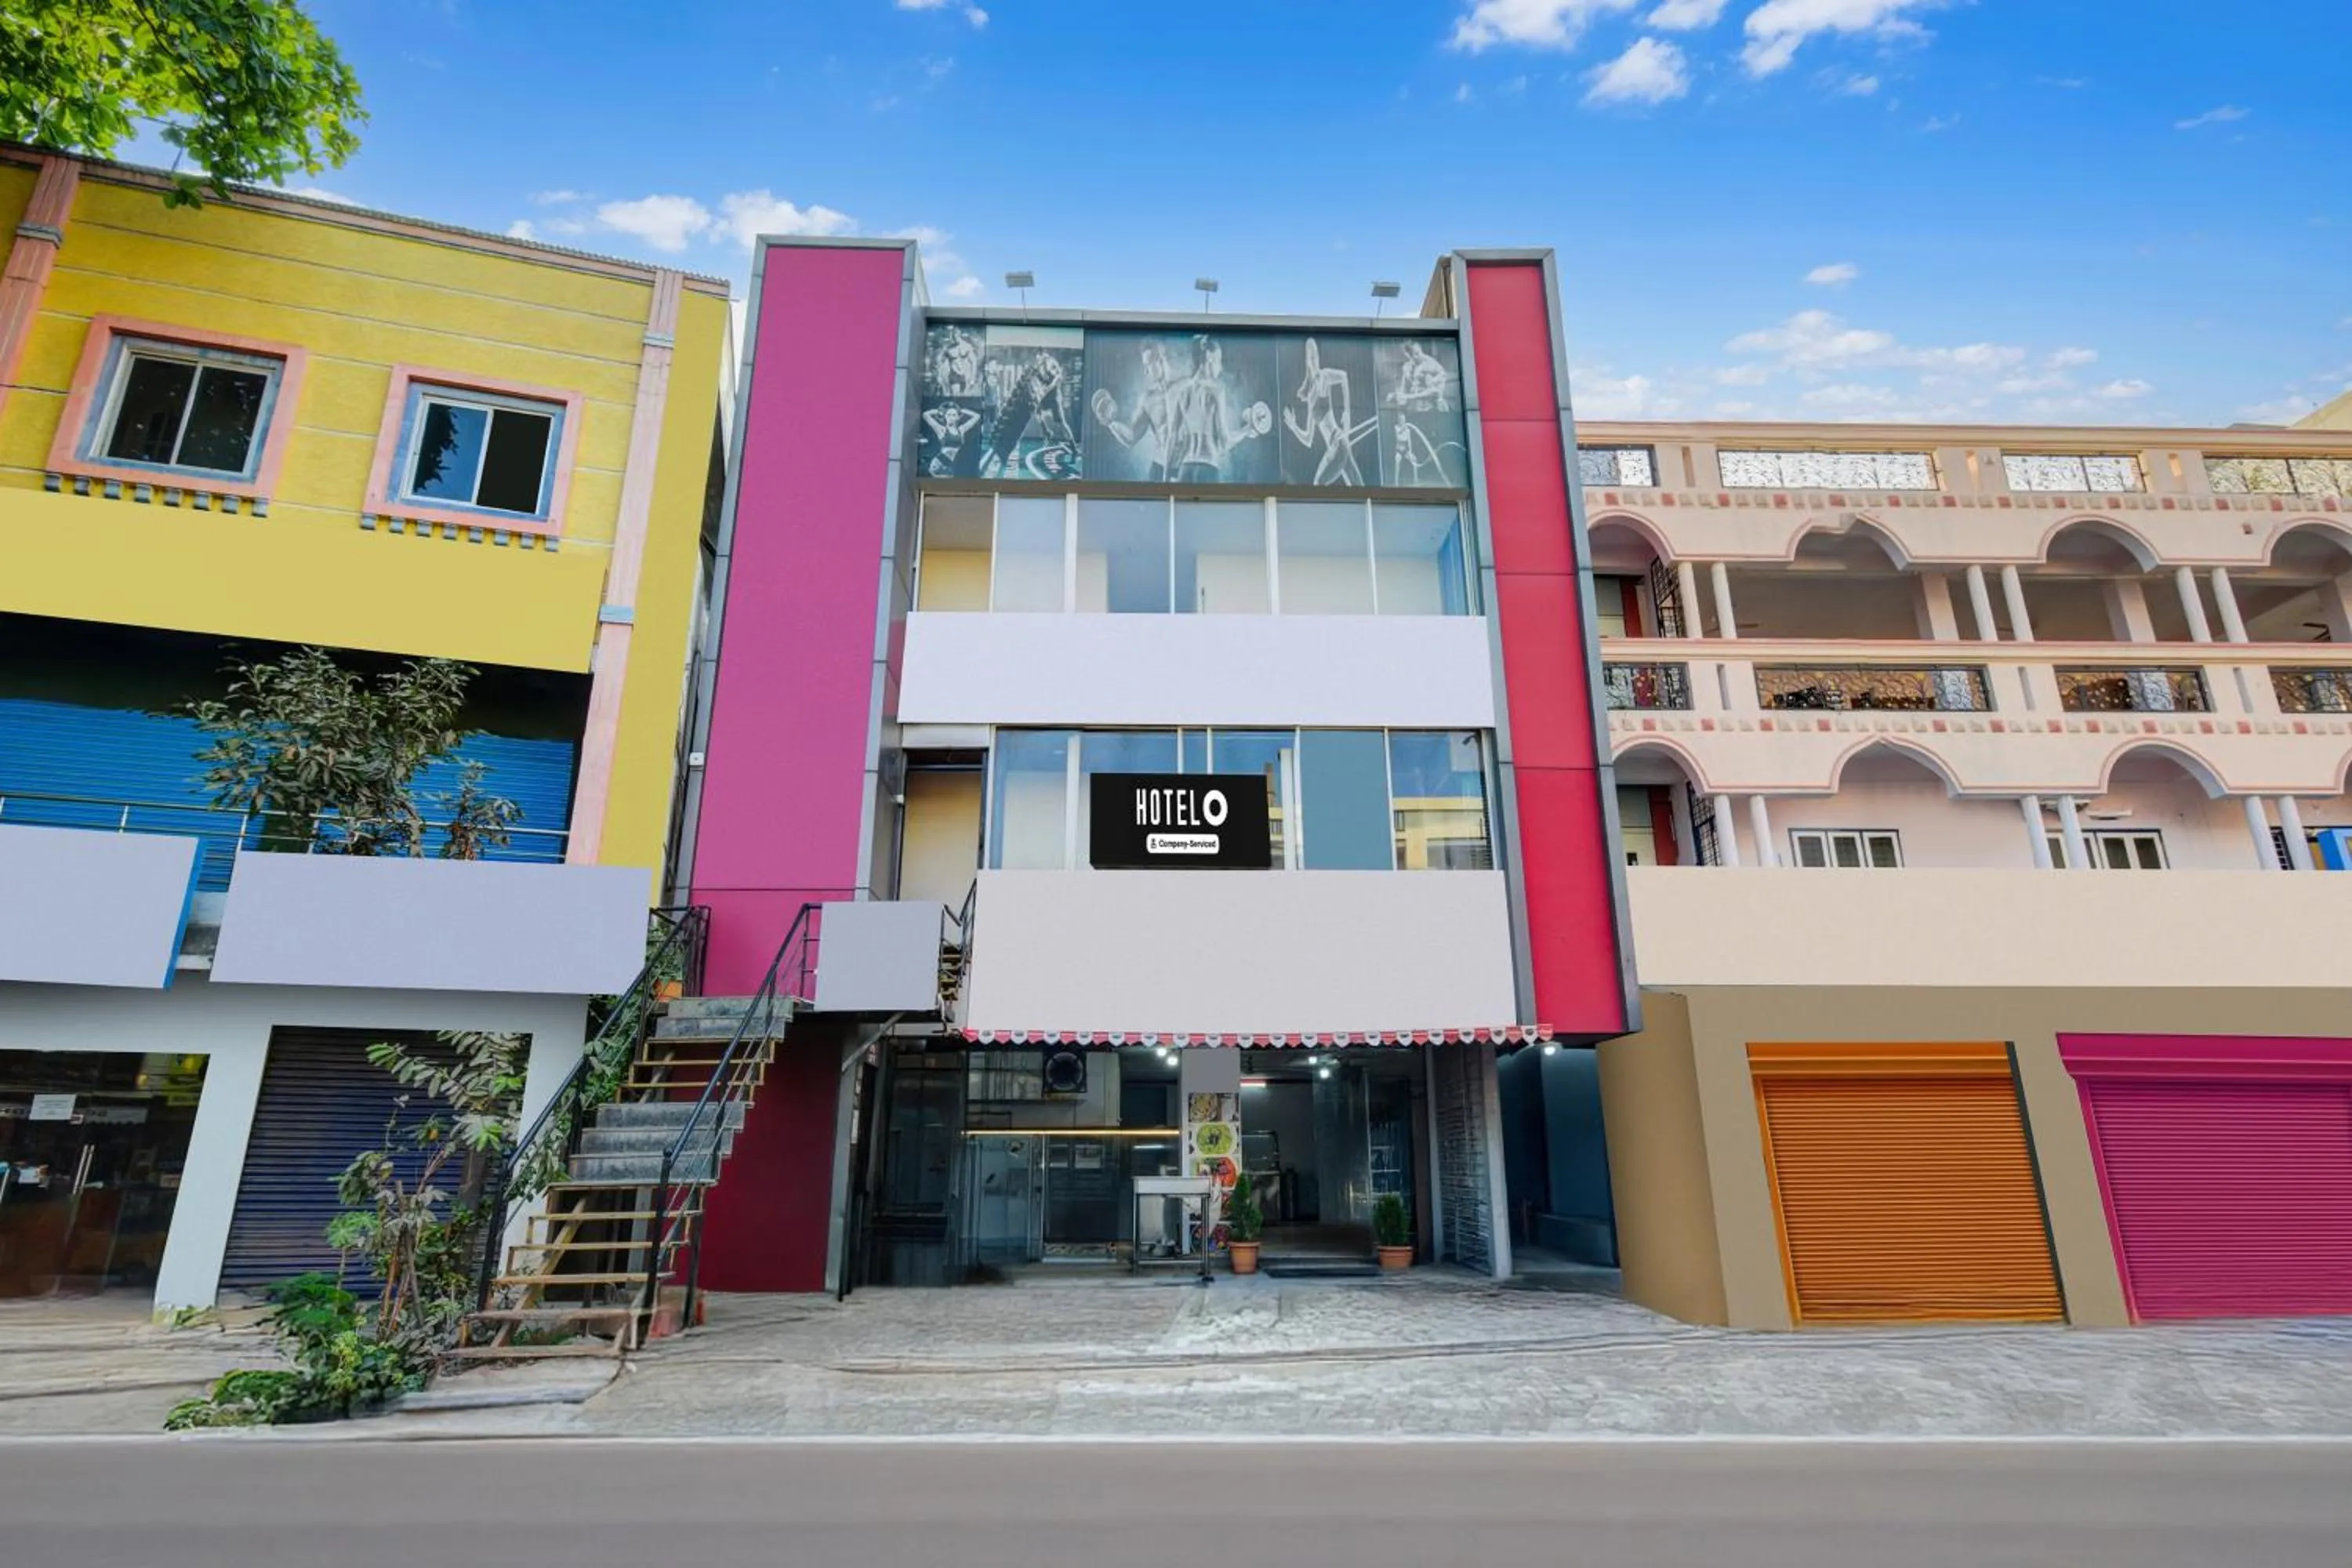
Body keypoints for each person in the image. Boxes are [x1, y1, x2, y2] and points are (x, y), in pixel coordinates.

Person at [1283, 337, 1374, 487]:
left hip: (1338, 442)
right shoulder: (1311, 398)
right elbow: (1308, 440)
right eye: (1312, 358)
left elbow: (1343, 377)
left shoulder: (1324, 377)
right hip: (1339, 446)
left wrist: (1346, 412)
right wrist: (1293, 427)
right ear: (1308, 362)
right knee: (1359, 489)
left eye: (1317, 356)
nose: (1315, 361)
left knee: (1319, 483)